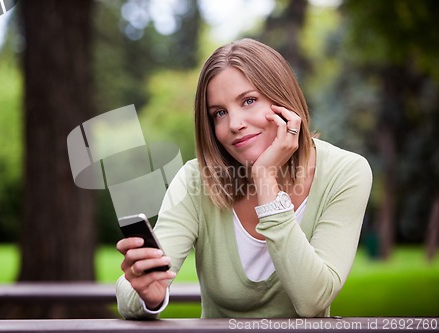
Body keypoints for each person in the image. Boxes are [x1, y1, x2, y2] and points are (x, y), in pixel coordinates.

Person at [115, 38, 372, 319]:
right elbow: (132, 295)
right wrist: (147, 295)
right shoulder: (196, 179)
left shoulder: (346, 172)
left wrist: (265, 178)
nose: (234, 124)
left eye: (249, 101)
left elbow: (312, 301)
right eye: (219, 113)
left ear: (282, 99)